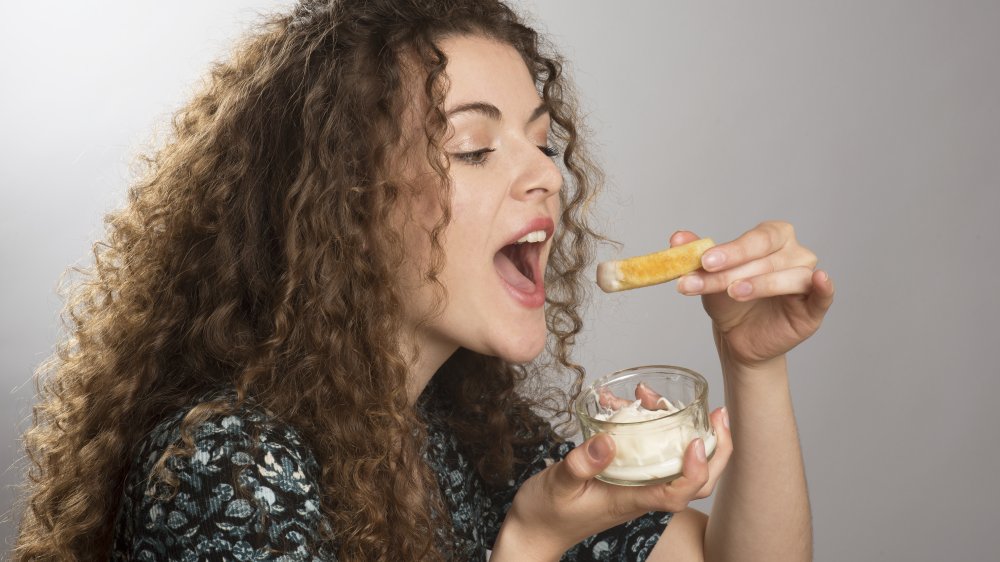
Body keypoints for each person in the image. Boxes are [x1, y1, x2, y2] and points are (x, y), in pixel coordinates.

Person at [13, 1, 834, 560]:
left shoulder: (457, 432)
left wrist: (753, 364)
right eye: (474, 148)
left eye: (541, 144)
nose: (545, 178)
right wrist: (528, 544)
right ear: (344, 204)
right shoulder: (226, 466)